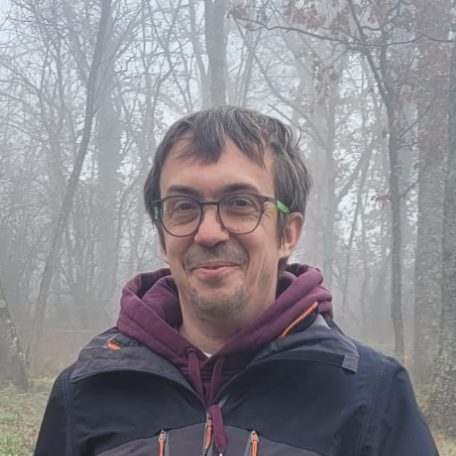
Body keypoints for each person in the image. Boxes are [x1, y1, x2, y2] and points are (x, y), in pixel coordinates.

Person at [34, 107, 438, 456]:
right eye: (183, 207)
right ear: (161, 236)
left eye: (240, 204)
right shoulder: (86, 391)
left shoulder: (371, 395)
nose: (209, 233)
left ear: (288, 233)